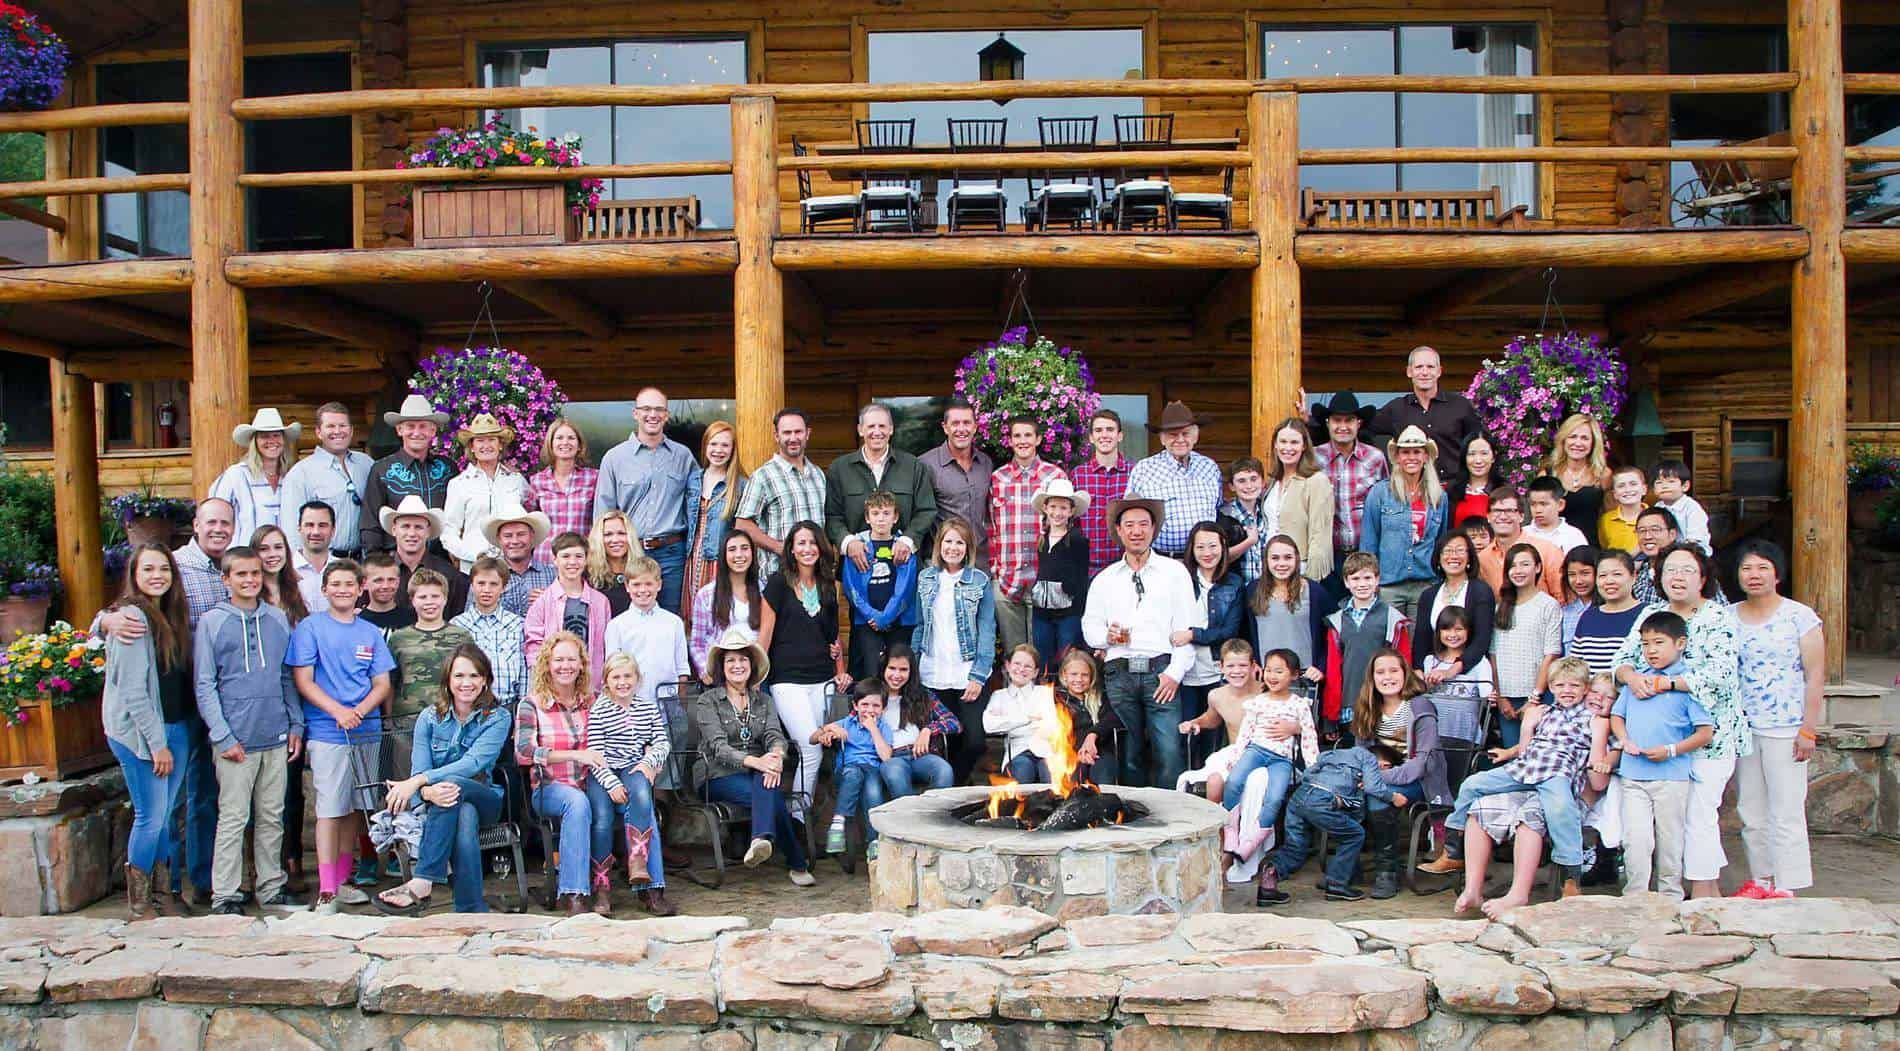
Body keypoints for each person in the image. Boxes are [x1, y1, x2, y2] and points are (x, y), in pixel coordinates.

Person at [1613, 543, 1745, 900]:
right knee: (1654, 825)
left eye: (1687, 569)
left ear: (1703, 577)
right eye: (1670, 569)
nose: (1677, 576)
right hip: (1654, 738)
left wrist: (1664, 683)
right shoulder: (1651, 614)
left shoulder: (1718, 617)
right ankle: (1668, 890)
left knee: (1699, 815)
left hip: (1709, 737)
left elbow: (1719, 676)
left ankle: (1703, 891)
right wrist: (1631, 677)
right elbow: (1622, 660)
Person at [1421, 656, 1595, 896]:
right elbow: (1525, 750)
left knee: (1562, 811)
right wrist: (1524, 731)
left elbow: (1599, 750)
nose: (1567, 691)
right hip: (1526, 767)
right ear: (1551, 688)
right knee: (1472, 784)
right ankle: (1453, 851)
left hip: (1558, 773)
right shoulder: (1543, 712)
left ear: (1585, 689)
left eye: (1574, 686)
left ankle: (1570, 879)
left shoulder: (1590, 717)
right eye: (1560, 685)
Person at [195, 546, 304, 915]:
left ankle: (270, 887)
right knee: (234, 816)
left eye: (255, 574)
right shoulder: (213, 622)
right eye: (241, 574)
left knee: (272, 815)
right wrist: (222, 736)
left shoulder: (276, 619)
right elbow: (205, 684)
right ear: (226, 579)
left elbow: (287, 676)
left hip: (274, 733)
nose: (250, 580)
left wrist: (295, 724)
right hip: (235, 740)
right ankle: (225, 893)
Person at [288, 559, 395, 914]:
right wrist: (338, 712)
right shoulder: (310, 628)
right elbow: (304, 681)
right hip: (328, 732)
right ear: (324, 589)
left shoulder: (369, 633)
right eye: (335, 584)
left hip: (366, 731)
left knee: (355, 808)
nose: (343, 590)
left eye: (349, 584)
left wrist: (360, 711)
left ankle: (345, 878)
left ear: (360, 587)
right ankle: (327, 888)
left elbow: (382, 683)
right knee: (330, 809)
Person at [374, 644, 511, 915]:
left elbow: (473, 764)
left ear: (485, 680)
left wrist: (418, 783)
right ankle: (471, 909)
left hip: (485, 798)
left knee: (457, 788)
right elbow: (420, 766)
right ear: (448, 680)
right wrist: (426, 793)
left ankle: (423, 879)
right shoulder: (429, 718)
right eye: (459, 676)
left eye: (474, 676)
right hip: (444, 804)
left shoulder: (498, 717)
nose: (466, 683)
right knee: (462, 814)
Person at [104, 544, 195, 919]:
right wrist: (157, 745)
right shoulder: (131, 618)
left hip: (176, 726)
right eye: (148, 570)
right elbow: (133, 692)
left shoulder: (167, 615)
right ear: (134, 575)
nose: (157, 576)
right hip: (142, 735)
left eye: (164, 569)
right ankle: (139, 901)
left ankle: (162, 892)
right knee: (150, 816)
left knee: (163, 815)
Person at [1731, 539, 1824, 900]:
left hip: (1786, 726)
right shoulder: (1728, 616)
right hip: (1743, 728)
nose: (1754, 575)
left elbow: (1815, 674)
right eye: (1746, 568)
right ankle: (1762, 879)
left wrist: (1808, 729)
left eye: (1762, 568)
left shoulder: (1799, 617)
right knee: (1751, 809)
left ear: (1777, 573)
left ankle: (1788, 883)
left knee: (1786, 807)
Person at [1081, 498, 1196, 789]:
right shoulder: (1105, 579)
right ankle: (1135, 824)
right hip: (1119, 672)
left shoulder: (1174, 572)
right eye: (1129, 525)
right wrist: (1107, 637)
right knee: (1129, 755)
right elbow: (1089, 628)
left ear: (1154, 529)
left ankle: (1171, 823)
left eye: (1143, 524)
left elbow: (1186, 629)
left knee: (1169, 752)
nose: (1136, 531)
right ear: (1118, 530)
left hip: (1161, 670)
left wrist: (1175, 673)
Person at [691, 629, 813, 885]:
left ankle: (760, 840)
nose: (737, 665)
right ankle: (796, 863)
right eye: (731, 661)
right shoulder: (707, 701)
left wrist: (777, 755)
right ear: (722, 667)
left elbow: (774, 735)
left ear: (752, 665)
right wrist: (757, 762)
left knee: (766, 781)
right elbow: (717, 747)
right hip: (716, 774)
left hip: (758, 771)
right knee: (772, 796)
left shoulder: (764, 701)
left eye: (743, 660)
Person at [1611, 610, 1714, 901]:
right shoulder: (1637, 682)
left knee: (1670, 840)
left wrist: (1670, 750)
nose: (1651, 650)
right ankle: (1635, 896)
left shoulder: (1686, 685)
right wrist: (1624, 740)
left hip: (1671, 776)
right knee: (1635, 839)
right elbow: (1617, 717)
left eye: (1658, 642)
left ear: (1680, 643)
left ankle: (1670, 896)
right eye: (1645, 644)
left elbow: (1705, 732)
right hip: (1633, 774)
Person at [758, 521, 851, 812]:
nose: (807, 549)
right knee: (810, 748)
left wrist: (840, 672)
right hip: (787, 680)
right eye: (801, 543)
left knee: (821, 750)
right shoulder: (777, 583)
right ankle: (797, 821)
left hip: (822, 680)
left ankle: (800, 819)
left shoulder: (827, 586)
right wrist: (754, 679)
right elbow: (765, 635)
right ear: (791, 549)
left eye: (812, 543)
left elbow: (832, 636)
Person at [1255, 739, 1406, 906]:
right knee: (1355, 835)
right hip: (1322, 801)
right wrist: (1394, 797)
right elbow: (1374, 788)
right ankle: (1336, 883)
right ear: (1384, 765)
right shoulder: (1368, 757)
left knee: (1295, 847)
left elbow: (1307, 774)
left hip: (1298, 798)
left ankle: (1270, 879)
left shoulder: (1332, 754)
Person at [514, 631, 600, 914]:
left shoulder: (592, 702)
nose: (565, 666)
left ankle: (632, 886)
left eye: (571, 660)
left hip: (591, 782)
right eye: (558, 659)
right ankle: (573, 893)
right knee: (576, 802)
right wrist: (573, 754)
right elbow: (523, 752)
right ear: (547, 664)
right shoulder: (532, 704)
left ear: (582, 665)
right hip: (550, 788)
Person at [583, 652, 676, 915]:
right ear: (606, 681)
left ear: (637, 679)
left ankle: (638, 861)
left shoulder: (645, 707)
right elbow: (595, 752)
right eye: (616, 677)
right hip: (604, 771)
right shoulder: (600, 709)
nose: (622, 682)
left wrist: (649, 762)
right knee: (601, 818)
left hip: (634, 766)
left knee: (644, 801)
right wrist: (611, 784)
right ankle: (602, 886)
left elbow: (662, 741)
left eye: (628, 676)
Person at [1351, 649, 1445, 898]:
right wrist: (1367, 774)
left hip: (1419, 781)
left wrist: (1375, 779)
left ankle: (1387, 871)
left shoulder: (1420, 706)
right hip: (1377, 778)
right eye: (1380, 672)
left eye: (1394, 670)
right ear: (1372, 677)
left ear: (1405, 674)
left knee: (1376, 796)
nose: (1387, 677)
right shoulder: (1368, 707)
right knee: (1342, 793)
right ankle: (1347, 865)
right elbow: (1360, 754)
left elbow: (1420, 764)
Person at [594, 388, 699, 613]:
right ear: (635, 413)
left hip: (672, 553)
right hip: (630, 553)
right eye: (646, 409)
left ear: (667, 415)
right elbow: (603, 515)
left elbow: (700, 502)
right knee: (626, 616)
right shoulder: (615, 458)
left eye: (659, 409)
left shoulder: (683, 456)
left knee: (672, 617)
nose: (653, 414)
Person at [912, 516, 997, 785]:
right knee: (944, 738)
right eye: (948, 541)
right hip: (932, 670)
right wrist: (913, 669)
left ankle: (957, 783)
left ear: (968, 547)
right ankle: (947, 792)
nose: (953, 547)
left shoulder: (979, 581)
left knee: (974, 739)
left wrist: (978, 675)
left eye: (959, 542)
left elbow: (987, 629)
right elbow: (920, 625)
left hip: (966, 672)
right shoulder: (925, 578)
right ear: (939, 545)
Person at [384, 569, 475, 780]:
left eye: (435, 596)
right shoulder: (399, 638)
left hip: (451, 721)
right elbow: (390, 682)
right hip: (407, 722)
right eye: (422, 597)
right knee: (407, 780)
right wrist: (388, 719)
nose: (429, 602)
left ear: (445, 599)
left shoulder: (461, 636)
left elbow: (473, 679)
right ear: (412, 601)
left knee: (446, 782)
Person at [1218, 648, 1321, 833]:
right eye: (1269, 670)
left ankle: (1257, 836)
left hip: (1282, 759)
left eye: (1279, 671)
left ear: (1294, 675)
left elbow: (1309, 736)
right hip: (1256, 750)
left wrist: (1313, 767)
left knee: (1275, 798)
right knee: (1233, 781)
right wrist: (1236, 757)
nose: (1272, 676)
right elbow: (1245, 733)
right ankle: (1229, 827)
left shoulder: (1299, 704)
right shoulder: (1259, 701)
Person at [826, 403, 938, 573]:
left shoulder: (913, 466)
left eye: (882, 426)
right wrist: (848, 542)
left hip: (904, 566)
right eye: (871, 426)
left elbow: (926, 510)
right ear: (860, 430)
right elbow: (832, 515)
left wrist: (908, 540)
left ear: (891, 429)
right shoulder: (839, 469)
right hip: (858, 569)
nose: (877, 432)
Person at [990, 416, 1067, 653]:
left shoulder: (1055, 477)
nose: (1022, 441)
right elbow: (991, 526)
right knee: (1014, 656)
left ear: (1038, 439)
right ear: (1010, 441)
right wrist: (995, 568)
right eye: (1017, 436)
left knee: (1041, 656)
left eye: (1028, 435)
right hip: (1006, 580)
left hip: (1042, 579)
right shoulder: (998, 478)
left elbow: (1067, 528)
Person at [1359, 426, 1448, 617]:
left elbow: (1442, 541)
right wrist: (1368, 581)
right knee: (1390, 643)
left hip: (1426, 582)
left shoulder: (1439, 496)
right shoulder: (1380, 493)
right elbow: (1369, 542)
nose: (1411, 457)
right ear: (1397, 457)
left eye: (1417, 451)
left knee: (1420, 644)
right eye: (1405, 452)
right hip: (1389, 584)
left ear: (1426, 456)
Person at [1321, 551, 1413, 734]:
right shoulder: (1337, 621)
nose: (1362, 584)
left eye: (1367, 578)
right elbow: (1333, 669)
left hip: (1383, 703)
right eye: (1355, 579)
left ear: (1377, 580)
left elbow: (1404, 663)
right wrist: (1331, 715)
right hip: (1350, 703)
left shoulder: (1392, 618)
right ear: (1346, 582)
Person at [735, 407, 828, 583]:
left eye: (798, 432)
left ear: (808, 433)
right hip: (779, 574)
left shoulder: (818, 475)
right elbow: (742, 524)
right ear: (777, 436)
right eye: (786, 433)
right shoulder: (763, 476)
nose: (793, 438)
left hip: (815, 576)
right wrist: (781, 548)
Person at [1178, 521, 1244, 765]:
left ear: (1223, 546)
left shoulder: (1234, 583)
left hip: (1215, 669)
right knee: (1185, 735)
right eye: (1201, 547)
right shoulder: (1180, 578)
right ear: (1192, 550)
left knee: (1212, 738)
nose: (1207, 553)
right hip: (1183, 672)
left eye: (1213, 546)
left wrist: (1194, 635)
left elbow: (1230, 631)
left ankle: (1208, 790)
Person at [1371, 346, 1483, 486]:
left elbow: (1479, 442)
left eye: (1430, 367)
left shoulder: (1460, 406)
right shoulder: (1396, 409)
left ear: (1439, 371)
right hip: (1414, 492)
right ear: (1409, 372)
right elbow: (1363, 429)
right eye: (1419, 367)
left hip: (1455, 489)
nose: (1424, 372)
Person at [602, 555, 692, 724]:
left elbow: (682, 669)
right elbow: (612, 670)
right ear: (627, 586)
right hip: (632, 708)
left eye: (648, 584)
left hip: (668, 705)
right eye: (636, 584)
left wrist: (681, 705)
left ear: (659, 584)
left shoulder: (673, 623)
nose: (643, 590)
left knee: (671, 749)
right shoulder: (617, 625)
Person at [1124, 400, 1220, 559]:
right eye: (1173, 435)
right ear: (1162, 439)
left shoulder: (1210, 467)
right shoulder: (1144, 470)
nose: (1180, 439)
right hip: (1162, 560)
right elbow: (1130, 517)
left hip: (1204, 562)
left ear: (1195, 436)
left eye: (1186, 433)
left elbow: (1218, 507)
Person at [361, 394, 456, 553]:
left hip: (441, 561)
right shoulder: (382, 469)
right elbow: (370, 523)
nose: (417, 432)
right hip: (396, 563)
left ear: (433, 430)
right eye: (410, 426)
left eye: (423, 426)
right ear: (399, 430)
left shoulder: (448, 468)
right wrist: (375, 562)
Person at [1491, 543, 1564, 749]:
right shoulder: (1501, 607)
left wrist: (1534, 698)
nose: (1518, 571)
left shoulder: (1548, 605)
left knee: (1537, 753)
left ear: (1538, 568)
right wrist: (1501, 696)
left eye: (1525, 564)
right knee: (1511, 755)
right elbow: (1494, 655)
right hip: (1507, 698)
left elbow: (1551, 654)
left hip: (1538, 695)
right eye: (1513, 566)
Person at [842, 490, 920, 679]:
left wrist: (887, 617)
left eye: (886, 513)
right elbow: (851, 587)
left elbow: (906, 588)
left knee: (898, 673)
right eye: (875, 514)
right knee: (872, 673)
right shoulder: (859, 547)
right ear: (867, 518)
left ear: (895, 517)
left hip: (899, 620)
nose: (881, 519)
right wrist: (873, 616)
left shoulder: (903, 547)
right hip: (867, 621)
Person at [812, 679, 897, 853]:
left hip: (873, 771)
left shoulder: (883, 728)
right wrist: (828, 729)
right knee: (854, 773)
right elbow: (811, 739)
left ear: (883, 709)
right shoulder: (846, 723)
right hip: (846, 771)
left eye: (876, 706)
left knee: (872, 792)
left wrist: (873, 729)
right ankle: (838, 823)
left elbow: (886, 756)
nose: (870, 710)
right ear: (855, 706)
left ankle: (873, 841)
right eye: (864, 704)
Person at [1309, 391, 1388, 576]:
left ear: (1358, 423)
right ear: (1328, 423)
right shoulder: (1313, 458)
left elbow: (1386, 506)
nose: (1343, 426)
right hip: (1328, 554)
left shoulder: (1375, 458)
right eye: (1337, 420)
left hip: (1366, 553)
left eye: (1349, 420)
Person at [279, 402, 373, 558]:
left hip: (361, 561)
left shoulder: (367, 464)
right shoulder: (301, 473)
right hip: (323, 561)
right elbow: (291, 530)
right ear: (318, 432)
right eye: (330, 426)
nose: (337, 431)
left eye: (342, 426)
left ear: (351, 430)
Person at [441, 414, 531, 570]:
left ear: (500, 445)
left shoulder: (516, 480)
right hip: (473, 568)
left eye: (492, 440)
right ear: (472, 447)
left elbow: (529, 519)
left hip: (512, 567)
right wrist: (472, 555)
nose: (486, 445)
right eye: (480, 441)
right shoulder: (459, 484)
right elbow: (449, 531)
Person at [1176, 639, 1261, 803]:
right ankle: (1219, 826)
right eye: (1230, 666)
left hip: (1262, 754)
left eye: (1242, 665)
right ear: (1221, 667)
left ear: (1252, 666)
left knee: (1251, 783)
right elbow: (1212, 719)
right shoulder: (1217, 696)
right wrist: (1196, 722)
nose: (1237, 671)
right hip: (1233, 753)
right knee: (1214, 780)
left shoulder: (1265, 693)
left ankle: (1244, 825)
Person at [876, 644, 961, 800]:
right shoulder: (873, 695)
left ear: (911, 672)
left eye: (903, 670)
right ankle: (911, 820)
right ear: (883, 669)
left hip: (920, 756)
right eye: (892, 668)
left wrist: (928, 730)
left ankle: (933, 817)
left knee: (944, 770)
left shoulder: (922, 695)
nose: (897, 675)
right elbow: (856, 719)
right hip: (892, 757)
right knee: (895, 774)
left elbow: (954, 722)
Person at [685, 421, 746, 632]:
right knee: (693, 619)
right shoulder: (693, 480)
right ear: (705, 447)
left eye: (725, 445)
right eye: (713, 444)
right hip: (692, 557)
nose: (718, 450)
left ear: (732, 449)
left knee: (720, 617)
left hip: (719, 560)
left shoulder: (740, 485)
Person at [920, 398, 995, 571]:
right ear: (945, 428)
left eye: (967, 423)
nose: (961, 429)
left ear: (975, 427)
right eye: (955, 423)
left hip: (980, 563)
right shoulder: (926, 465)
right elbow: (920, 514)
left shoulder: (985, 463)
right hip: (942, 565)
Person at [1248, 534, 1335, 679]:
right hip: (1267, 675)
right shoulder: (1253, 590)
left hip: (1305, 675)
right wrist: (1252, 662)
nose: (1281, 564)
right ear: (1266, 561)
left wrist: (1321, 666)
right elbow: (1244, 633)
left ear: (1297, 559)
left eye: (1288, 557)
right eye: (1275, 558)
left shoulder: (1315, 591)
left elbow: (1333, 635)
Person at [1413, 531, 1495, 684]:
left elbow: (1482, 640)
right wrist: (1419, 671)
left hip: (1471, 674)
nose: (1453, 556)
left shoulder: (1480, 591)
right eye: (1448, 551)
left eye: (1460, 550)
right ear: (1438, 557)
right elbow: (1421, 640)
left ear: (1469, 557)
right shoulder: (1428, 595)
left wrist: (1452, 671)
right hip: (1433, 675)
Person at [1261, 417, 1336, 581]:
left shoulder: (1316, 481)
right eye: (1283, 442)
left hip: (1300, 569)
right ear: (1275, 444)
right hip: (1271, 568)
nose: (1288, 448)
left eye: (1294, 442)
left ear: (1304, 446)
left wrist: (1311, 580)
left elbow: (1320, 537)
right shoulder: (1274, 481)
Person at [525, 532, 612, 674]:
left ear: (586, 559)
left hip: (591, 680)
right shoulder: (542, 602)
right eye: (565, 556)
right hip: (555, 679)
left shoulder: (600, 602)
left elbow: (605, 645)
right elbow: (534, 645)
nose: (572, 562)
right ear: (555, 560)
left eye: (578, 556)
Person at [1029, 478, 1091, 676]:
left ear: (1071, 511)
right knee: (1043, 658)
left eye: (1063, 508)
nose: (1058, 513)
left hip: (1068, 610)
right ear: (1045, 508)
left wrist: (1077, 605)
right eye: (1053, 507)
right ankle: (1046, 695)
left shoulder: (1077, 539)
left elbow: (1082, 578)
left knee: (1067, 657)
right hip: (1042, 611)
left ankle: (1066, 700)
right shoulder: (1042, 538)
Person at [213, 408, 300, 546]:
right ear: (255, 442)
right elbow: (214, 514)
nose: (272, 441)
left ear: (283, 439)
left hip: (286, 559)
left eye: (276, 435)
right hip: (246, 558)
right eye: (265, 436)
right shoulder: (236, 475)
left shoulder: (293, 476)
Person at [452, 556, 528, 708]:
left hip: (508, 704)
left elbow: (524, 671)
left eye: (493, 584)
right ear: (472, 586)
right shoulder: (457, 626)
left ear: (504, 587)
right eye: (481, 583)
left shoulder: (517, 625)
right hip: (468, 707)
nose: (487, 590)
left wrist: (523, 706)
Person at [527, 417, 599, 565]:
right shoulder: (537, 481)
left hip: (581, 559)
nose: (565, 442)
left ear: (579, 445)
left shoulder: (593, 478)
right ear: (551, 444)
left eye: (571, 438)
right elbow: (529, 525)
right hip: (546, 559)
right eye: (559, 438)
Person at [381, 495, 469, 616]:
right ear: (394, 529)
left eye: (418, 527)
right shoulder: (381, 574)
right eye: (405, 526)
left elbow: (455, 621)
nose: (411, 533)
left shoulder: (449, 575)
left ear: (428, 532)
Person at [691, 532, 761, 684]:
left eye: (744, 548)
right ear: (723, 555)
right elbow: (697, 642)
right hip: (722, 674)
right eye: (732, 549)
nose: (739, 555)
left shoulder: (764, 589)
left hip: (757, 670)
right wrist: (705, 671)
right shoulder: (706, 594)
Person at [984, 645, 1060, 783]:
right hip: (1017, 753)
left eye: (1028, 666)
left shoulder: (1044, 693)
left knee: (1050, 771)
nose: (1021, 669)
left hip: (1046, 751)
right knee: (1023, 770)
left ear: (1036, 672)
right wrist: (1027, 719)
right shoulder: (999, 696)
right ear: (1008, 665)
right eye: (1017, 664)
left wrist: (1007, 722)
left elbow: (1050, 727)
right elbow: (989, 725)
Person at [1070, 407, 1132, 576]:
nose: (1104, 435)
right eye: (1098, 430)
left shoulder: (1134, 473)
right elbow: (1071, 522)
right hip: (1086, 568)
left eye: (1110, 430)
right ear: (1091, 437)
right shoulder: (1078, 475)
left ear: (1120, 435)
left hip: (1125, 567)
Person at [1479, 487, 1565, 601]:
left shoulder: (1548, 551)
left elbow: (1563, 599)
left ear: (1521, 516)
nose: (1503, 516)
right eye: (1497, 511)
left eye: (1510, 511)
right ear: (1488, 517)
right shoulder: (1483, 558)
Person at [1568, 549, 1646, 675]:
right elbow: (1576, 667)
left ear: (1634, 576)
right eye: (1603, 575)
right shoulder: (1588, 617)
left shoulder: (1648, 615)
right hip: (1591, 694)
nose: (1609, 581)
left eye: (1617, 574)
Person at [1542, 414, 1613, 546]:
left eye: (1584, 438)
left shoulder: (1603, 474)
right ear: (1564, 440)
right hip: (1555, 547)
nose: (1578, 443)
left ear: (1593, 443)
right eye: (1573, 436)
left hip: (1591, 549)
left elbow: (1610, 516)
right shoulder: (1547, 474)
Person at [1055, 648, 1119, 785]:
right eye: (1074, 674)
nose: (1079, 679)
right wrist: (1081, 750)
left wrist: (1093, 735)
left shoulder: (1100, 696)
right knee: (1073, 777)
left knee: (1104, 772)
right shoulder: (1057, 698)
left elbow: (1112, 718)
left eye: (1084, 675)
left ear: (1091, 677)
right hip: (1069, 752)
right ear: (1064, 675)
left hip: (1099, 752)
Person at [486, 500, 555, 617]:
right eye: (508, 536)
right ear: (499, 539)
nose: (515, 541)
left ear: (532, 535)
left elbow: (565, 615)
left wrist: (551, 603)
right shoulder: (486, 576)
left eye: (521, 534)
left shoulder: (553, 575)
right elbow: (473, 616)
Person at [1221, 457, 1270, 586]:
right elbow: (1219, 557)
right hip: (1238, 590)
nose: (1249, 486)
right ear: (1232, 486)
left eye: (1254, 479)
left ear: (1263, 482)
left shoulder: (1268, 513)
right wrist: (1249, 542)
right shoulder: (1224, 517)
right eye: (1241, 481)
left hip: (1267, 589)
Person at [251, 524, 311, 627]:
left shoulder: (298, 587)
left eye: (278, 547)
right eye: (264, 549)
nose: (272, 554)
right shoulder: (250, 593)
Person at [1651, 460, 1711, 554]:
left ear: (1685, 486)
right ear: (1653, 489)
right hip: (1667, 552)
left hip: (1694, 553)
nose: (1664, 486)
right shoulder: (1658, 507)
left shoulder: (1692, 508)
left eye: (1671, 481)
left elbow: (1693, 540)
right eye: (1659, 482)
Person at [587, 509, 637, 615]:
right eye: (608, 534)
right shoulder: (587, 573)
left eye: (621, 533)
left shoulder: (642, 569)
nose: (615, 540)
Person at [1524, 476, 1590, 553]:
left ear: (1560, 504)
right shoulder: (1523, 534)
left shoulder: (1574, 536)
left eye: (1543, 504)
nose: (1538, 510)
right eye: (1533, 504)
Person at [290, 502, 334, 612]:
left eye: (322, 525)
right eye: (309, 525)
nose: (316, 532)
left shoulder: (345, 570)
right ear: (299, 529)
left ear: (333, 530)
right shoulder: (286, 570)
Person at [358, 553, 415, 635]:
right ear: (364, 584)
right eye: (378, 580)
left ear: (398, 582)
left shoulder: (413, 620)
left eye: (391, 580)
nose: (385, 586)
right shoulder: (357, 623)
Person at [1599, 465, 1648, 554]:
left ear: (1644, 489)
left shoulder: (1656, 516)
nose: (1628, 489)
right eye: (1621, 486)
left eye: (1633, 484)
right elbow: (1605, 547)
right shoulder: (1605, 520)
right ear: (1615, 494)